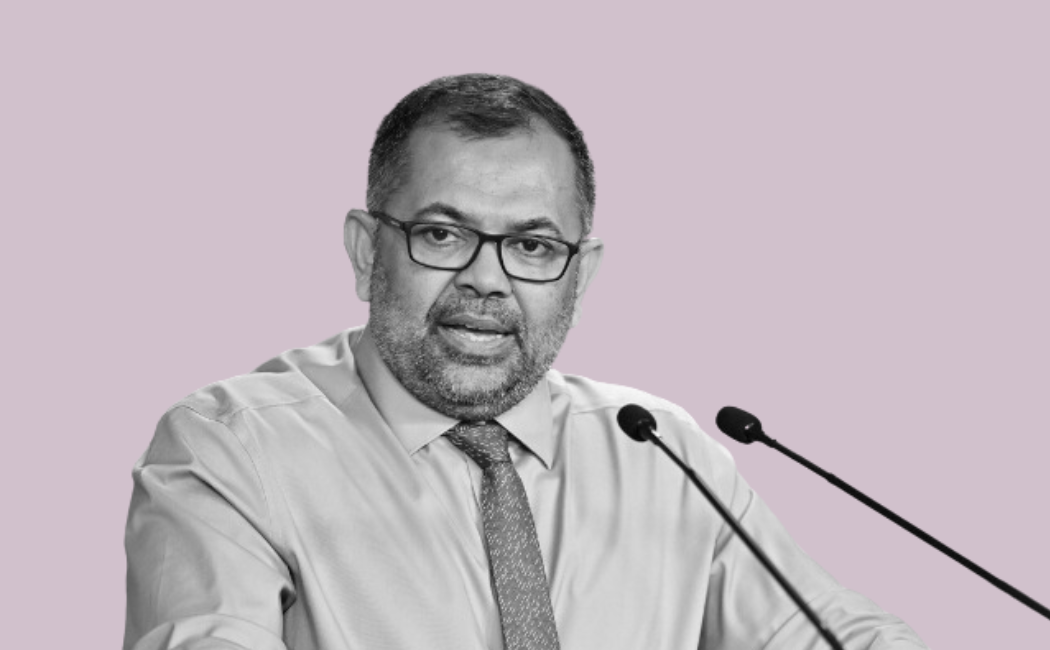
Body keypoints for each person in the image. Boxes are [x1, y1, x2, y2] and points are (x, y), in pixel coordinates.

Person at [124, 74, 928, 650]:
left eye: (533, 246)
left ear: (581, 274)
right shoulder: (232, 448)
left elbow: (832, 632)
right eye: (443, 234)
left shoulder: (660, 452)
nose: (487, 279)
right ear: (368, 252)